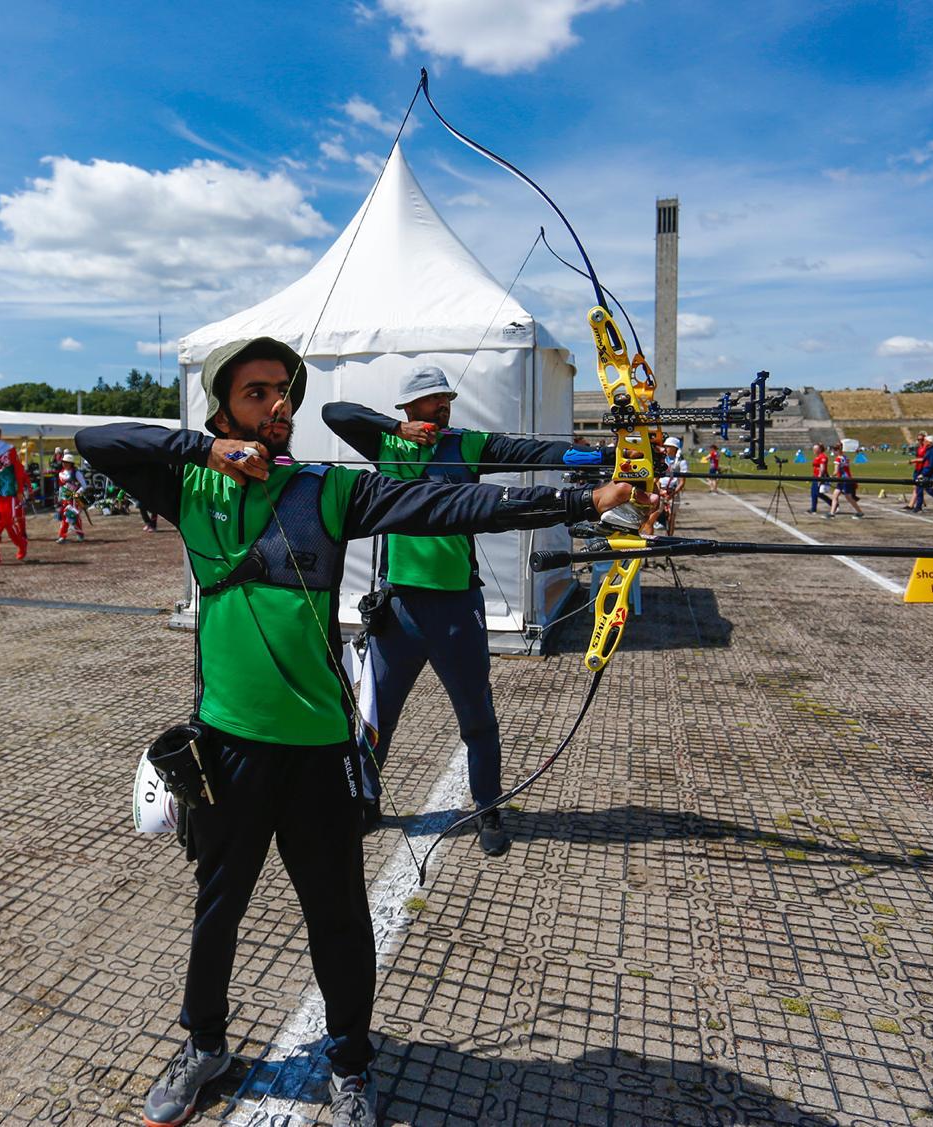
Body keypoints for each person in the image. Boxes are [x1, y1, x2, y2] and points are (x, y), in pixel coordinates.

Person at [77, 338, 636, 1127]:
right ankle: (206, 1047)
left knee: (336, 915)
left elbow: (452, 504)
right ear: (222, 408)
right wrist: (210, 449)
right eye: (256, 393)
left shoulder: (326, 490)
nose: (279, 405)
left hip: (316, 753)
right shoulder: (191, 485)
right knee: (218, 906)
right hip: (227, 746)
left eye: (284, 392)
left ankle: (349, 1063)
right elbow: (93, 442)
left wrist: (582, 502)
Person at [321, 365, 614, 856]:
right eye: (432, 400)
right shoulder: (387, 447)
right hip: (399, 610)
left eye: (446, 398)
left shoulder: (466, 445)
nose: (443, 406)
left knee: (477, 718)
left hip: (456, 609)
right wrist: (395, 430)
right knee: (376, 719)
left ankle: (487, 808)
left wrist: (602, 454)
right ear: (409, 407)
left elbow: (528, 452)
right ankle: (365, 802)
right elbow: (335, 413)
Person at [0, 425, 30, 566]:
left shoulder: (10, 449)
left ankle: (21, 544)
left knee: (8, 523)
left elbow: (18, 471)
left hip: (6, 493)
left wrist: (20, 491)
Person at [54, 452, 87, 542]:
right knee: (65, 517)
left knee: (73, 516)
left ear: (70, 463)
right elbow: (61, 486)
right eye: (63, 461)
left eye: (66, 462)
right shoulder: (61, 473)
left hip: (74, 499)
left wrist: (77, 494)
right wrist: (60, 498)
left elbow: (84, 485)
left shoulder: (76, 473)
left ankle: (80, 534)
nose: (64, 463)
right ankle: (62, 536)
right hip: (65, 499)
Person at [828, 443, 864, 518]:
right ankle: (832, 513)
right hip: (846, 479)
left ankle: (860, 512)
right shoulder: (845, 457)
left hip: (844, 480)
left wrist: (831, 476)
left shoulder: (838, 459)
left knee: (848, 497)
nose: (833, 453)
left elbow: (836, 471)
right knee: (835, 496)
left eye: (834, 451)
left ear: (837, 450)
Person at [808, 443, 830, 514]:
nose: (814, 450)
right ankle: (813, 508)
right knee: (813, 493)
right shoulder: (817, 457)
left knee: (817, 493)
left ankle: (832, 504)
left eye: (815, 449)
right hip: (815, 476)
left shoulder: (823, 457)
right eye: (813, 448)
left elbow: (822, 468)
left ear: (820, 449)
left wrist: (820, 478)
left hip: (820, 477)